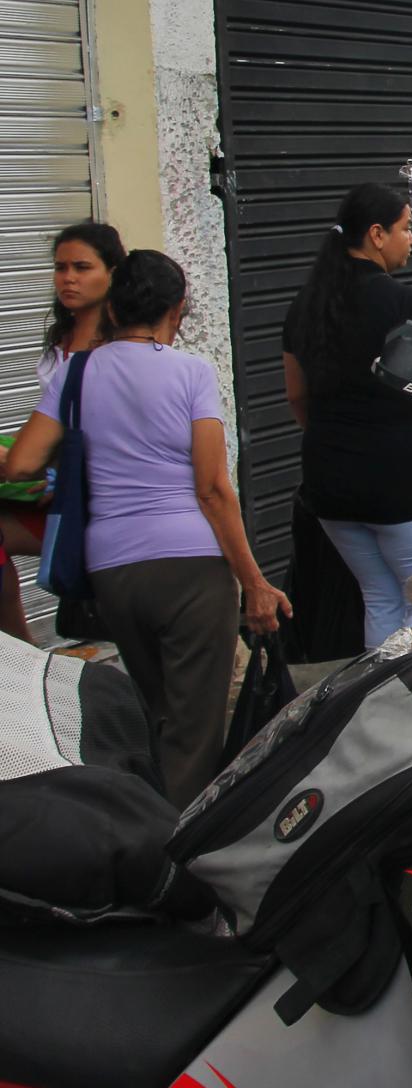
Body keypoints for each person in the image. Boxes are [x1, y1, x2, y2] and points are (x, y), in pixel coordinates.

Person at [5, 251, 290, 804]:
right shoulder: (191, 372)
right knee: (194, 731)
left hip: (112, 571)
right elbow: (212, 489)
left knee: (156, 710)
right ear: (177, 309)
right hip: (191, 570)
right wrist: (254, 582)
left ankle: (144, 816)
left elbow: (20, 464)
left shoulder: (75, 372)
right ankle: (175, 843)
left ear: (112, 307)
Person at [281, 184, 412, 651]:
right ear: (377, 235)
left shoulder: (305, 305)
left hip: (329, 485)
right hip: (400, 487)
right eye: (406, 229)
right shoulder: (404, 305)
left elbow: (297, 395)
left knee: (379, 597)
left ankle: (381, 686)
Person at [2, 221, 124, 641]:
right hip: (57, 488)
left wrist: (48, 468)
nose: (68, 278)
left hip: (101, 497)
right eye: (60, 267)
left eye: (82, 267)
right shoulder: (61, 339)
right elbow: (49, 422)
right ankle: (23, 658)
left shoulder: (121, 345)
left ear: (112, 274)